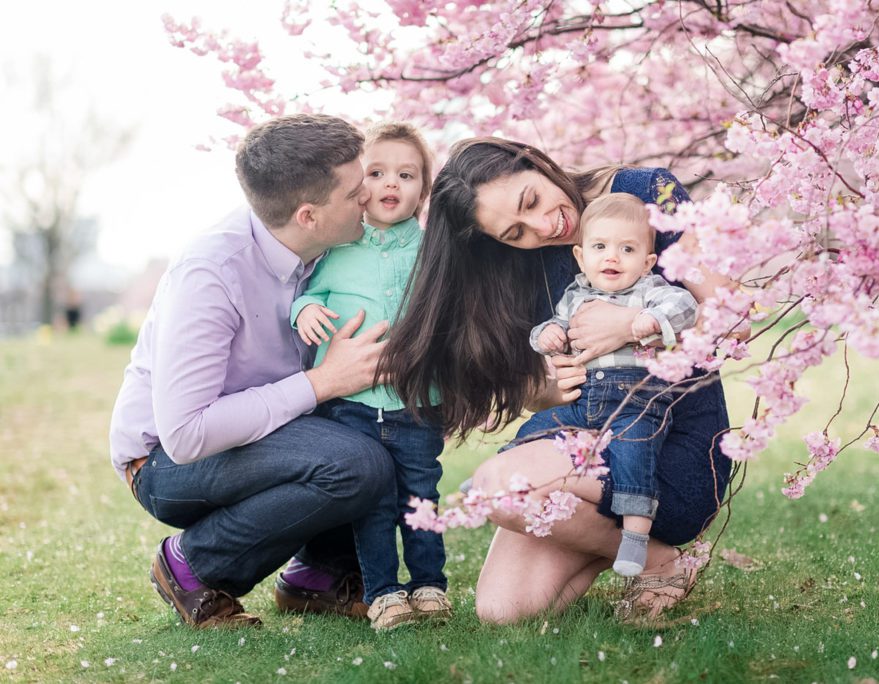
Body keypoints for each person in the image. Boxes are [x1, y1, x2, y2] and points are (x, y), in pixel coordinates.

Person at [381, 137, 735, 623]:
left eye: (532, 201)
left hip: (671, 442)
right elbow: (532, 393)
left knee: (500, 489)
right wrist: (551, 383)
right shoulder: (517, 266)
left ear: (534, 162)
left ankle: (647, 556)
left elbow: (733, 316)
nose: (544, 226)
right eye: (515, 233)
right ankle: (647, 555)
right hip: (585, 444)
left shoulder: (648, 193)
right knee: (503, 610)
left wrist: (630, 325)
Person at [108, 113, 395, 629]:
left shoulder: (332, 248)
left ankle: (318, 576)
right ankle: (193, 564)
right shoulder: (212, 274)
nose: (370, 197)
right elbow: (187, 433)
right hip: (165, 464)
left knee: (380, 434)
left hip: (266, 436)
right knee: (355, 463)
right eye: (356, 190)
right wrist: (323, 382)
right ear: (308, 215)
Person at [290, 122, 450, 632]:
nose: (390, 184)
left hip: (417, 405)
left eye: (406, 175)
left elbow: (450, 317)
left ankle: (429, 584)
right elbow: (308, 294)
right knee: (373, 506)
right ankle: (382, 592)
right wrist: (305, 312)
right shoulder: (338, 252)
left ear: (423, 190)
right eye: (377, 172)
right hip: (351, 407)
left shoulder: (432, 253)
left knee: (420, 497)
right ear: (360, 187)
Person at [526, 193, 698, 577]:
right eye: (600, 247)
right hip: (584, 400)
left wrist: (644, 321)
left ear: (648, 261)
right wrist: (550, 334)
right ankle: (499, 473)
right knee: (534, 428)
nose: (612, 257)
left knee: (635, 458)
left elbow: (686, 307)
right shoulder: (576, 295)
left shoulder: (649, 289)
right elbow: (550, 327)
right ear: (581, 256)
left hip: (636, 402)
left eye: (627, 249)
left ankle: (635, 540)